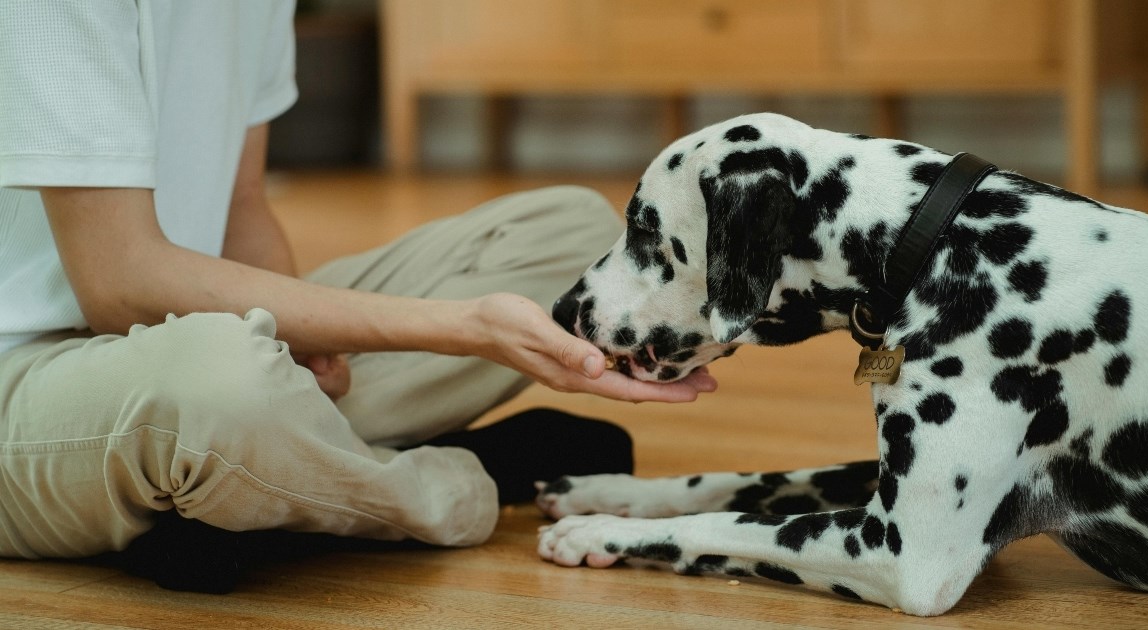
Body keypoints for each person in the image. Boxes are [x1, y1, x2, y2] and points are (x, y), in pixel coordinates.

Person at [0, 0, 716, 592]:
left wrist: (297, 347)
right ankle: (454, 485)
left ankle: (260, 489)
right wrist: (463, 327)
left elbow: (243, 205)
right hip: (28, 381)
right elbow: (120, 282)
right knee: (225, 385)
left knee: (569, 235)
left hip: (175, 337)